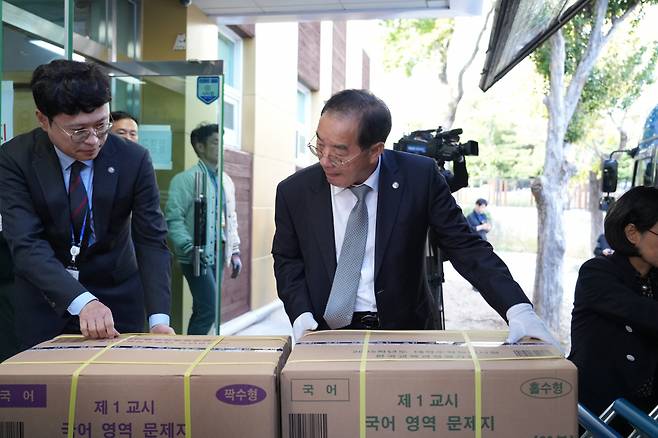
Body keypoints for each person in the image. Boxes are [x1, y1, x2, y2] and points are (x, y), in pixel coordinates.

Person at [272, 89, 558, 346]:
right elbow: (288, 260)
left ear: (375, 151)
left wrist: (517, 308)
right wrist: (300, 313)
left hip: (408, 332)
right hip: (325, 334)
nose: (324, 160)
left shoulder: (420, 178)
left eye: (339, 153)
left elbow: (466, 247)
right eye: (320, 145)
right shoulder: (294, 192)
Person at [0, 60, 173, 350]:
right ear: (43, 119)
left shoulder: (134, 159)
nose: (93, 140)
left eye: (102, 125)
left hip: (116, 299)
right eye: (78, 131)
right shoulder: (14, 158)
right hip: (40, 301)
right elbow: (26, 242)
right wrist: (83, 302)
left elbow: (151, 240)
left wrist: (159, 319)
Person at [568, 186, 658, 428]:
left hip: (645, 412)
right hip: (599, 413)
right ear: (632, 233)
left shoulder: (654, 276)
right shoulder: (596, 273)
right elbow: (643, 313)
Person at [165, 123, 241, 335]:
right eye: (216, 142)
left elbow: (231, 218)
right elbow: (173, 218)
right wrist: (188, 246)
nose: (221, 147)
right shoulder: (185, 180)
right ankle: (193, 353)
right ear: (200, 146)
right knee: (210, 308)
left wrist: (234, 251)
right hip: (195, 255)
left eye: (222, 142)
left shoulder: (226, 180)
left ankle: (194, 349)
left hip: (219, 252)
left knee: (203, 308)